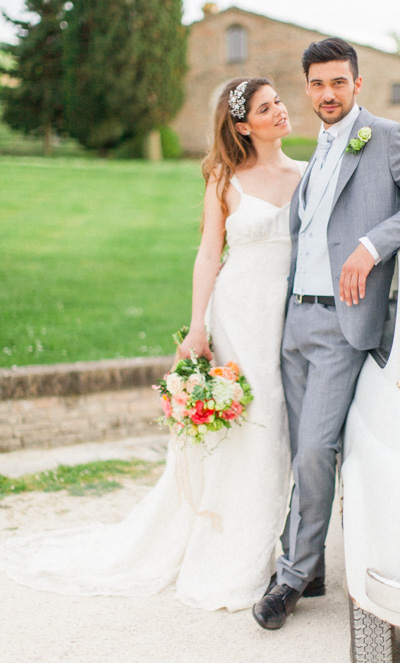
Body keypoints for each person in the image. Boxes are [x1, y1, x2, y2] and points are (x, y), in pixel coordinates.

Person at [0, 77, 305, 612]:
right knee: (248, 428)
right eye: (265, 106)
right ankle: (235, 557)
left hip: (290, 319)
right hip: (238, 315)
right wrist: (196, 327)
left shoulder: (308, 174)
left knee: (279, 425)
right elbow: (209, 254)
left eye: (279, 100)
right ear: (241, 125)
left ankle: (282, 551)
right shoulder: (224, 179)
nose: (280, 110)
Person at [252, 37, 400, 630]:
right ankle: (311, 564)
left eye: (338, 83)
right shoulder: (316, 147)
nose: (327, 94)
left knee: (319, 448)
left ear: (357, 84)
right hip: (296, 320)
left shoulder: (387, 137)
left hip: (345, 322)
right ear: (308, 88)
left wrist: (372, 248)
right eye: (316, 84)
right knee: (301, 449)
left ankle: (292, 577)